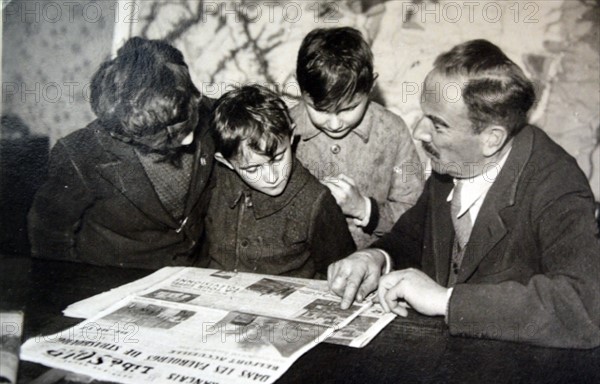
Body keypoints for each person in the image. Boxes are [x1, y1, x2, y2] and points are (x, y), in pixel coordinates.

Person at [328, 39, 600, 349]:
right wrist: (377, 257)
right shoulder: (455, 163)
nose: (419, 132)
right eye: (424, 115)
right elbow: (414, 237)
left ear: (491, 139)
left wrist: (447, 301)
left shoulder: (557, 184)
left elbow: (586, 304)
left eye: (438, 125)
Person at [28, 37, 215, 269]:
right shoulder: (80, 154)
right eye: (167, 133)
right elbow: (48, 233)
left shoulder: (205, 113)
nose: (188, 138)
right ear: (126, 131)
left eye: (187, 122)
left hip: (190, 275)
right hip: (113, 277)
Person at [290, 27, 424, 249]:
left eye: (348, 108)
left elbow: (416, 215)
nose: (334, 124)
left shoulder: (392, 131)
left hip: (372, 265)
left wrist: (364, 209)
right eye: (320, 110)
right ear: (300, 87)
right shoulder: (285, 127)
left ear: (371, 85)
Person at [206, 84, 355, 279]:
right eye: (252, 169)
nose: (272, 177)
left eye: (277, 158)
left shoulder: (316, 201)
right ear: (226, 162)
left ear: (291, 137)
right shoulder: (215, 182)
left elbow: (344, 269)